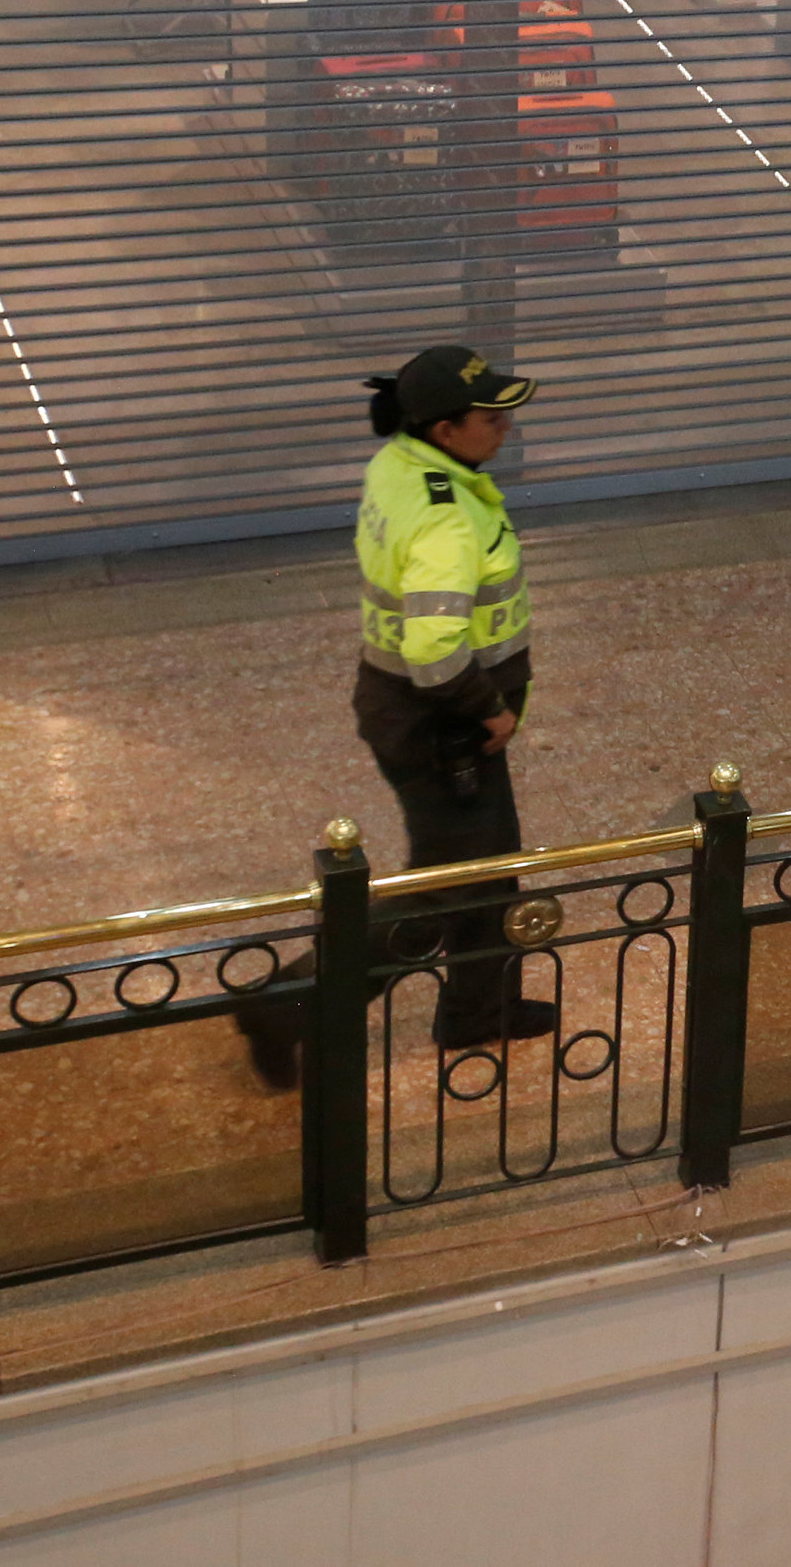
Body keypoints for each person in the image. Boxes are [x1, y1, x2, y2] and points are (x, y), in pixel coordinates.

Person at [238, 344, 552, 1088]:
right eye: (490, 417)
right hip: (444, 725)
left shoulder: (400, 463)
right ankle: (284, 1008)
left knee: (491, 867)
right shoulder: (445, 519)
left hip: (414, 712)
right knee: (443, 894)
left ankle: (479, 1012)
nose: (505, 427)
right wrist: (491, 712)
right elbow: (436, 655)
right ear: (446, 429)